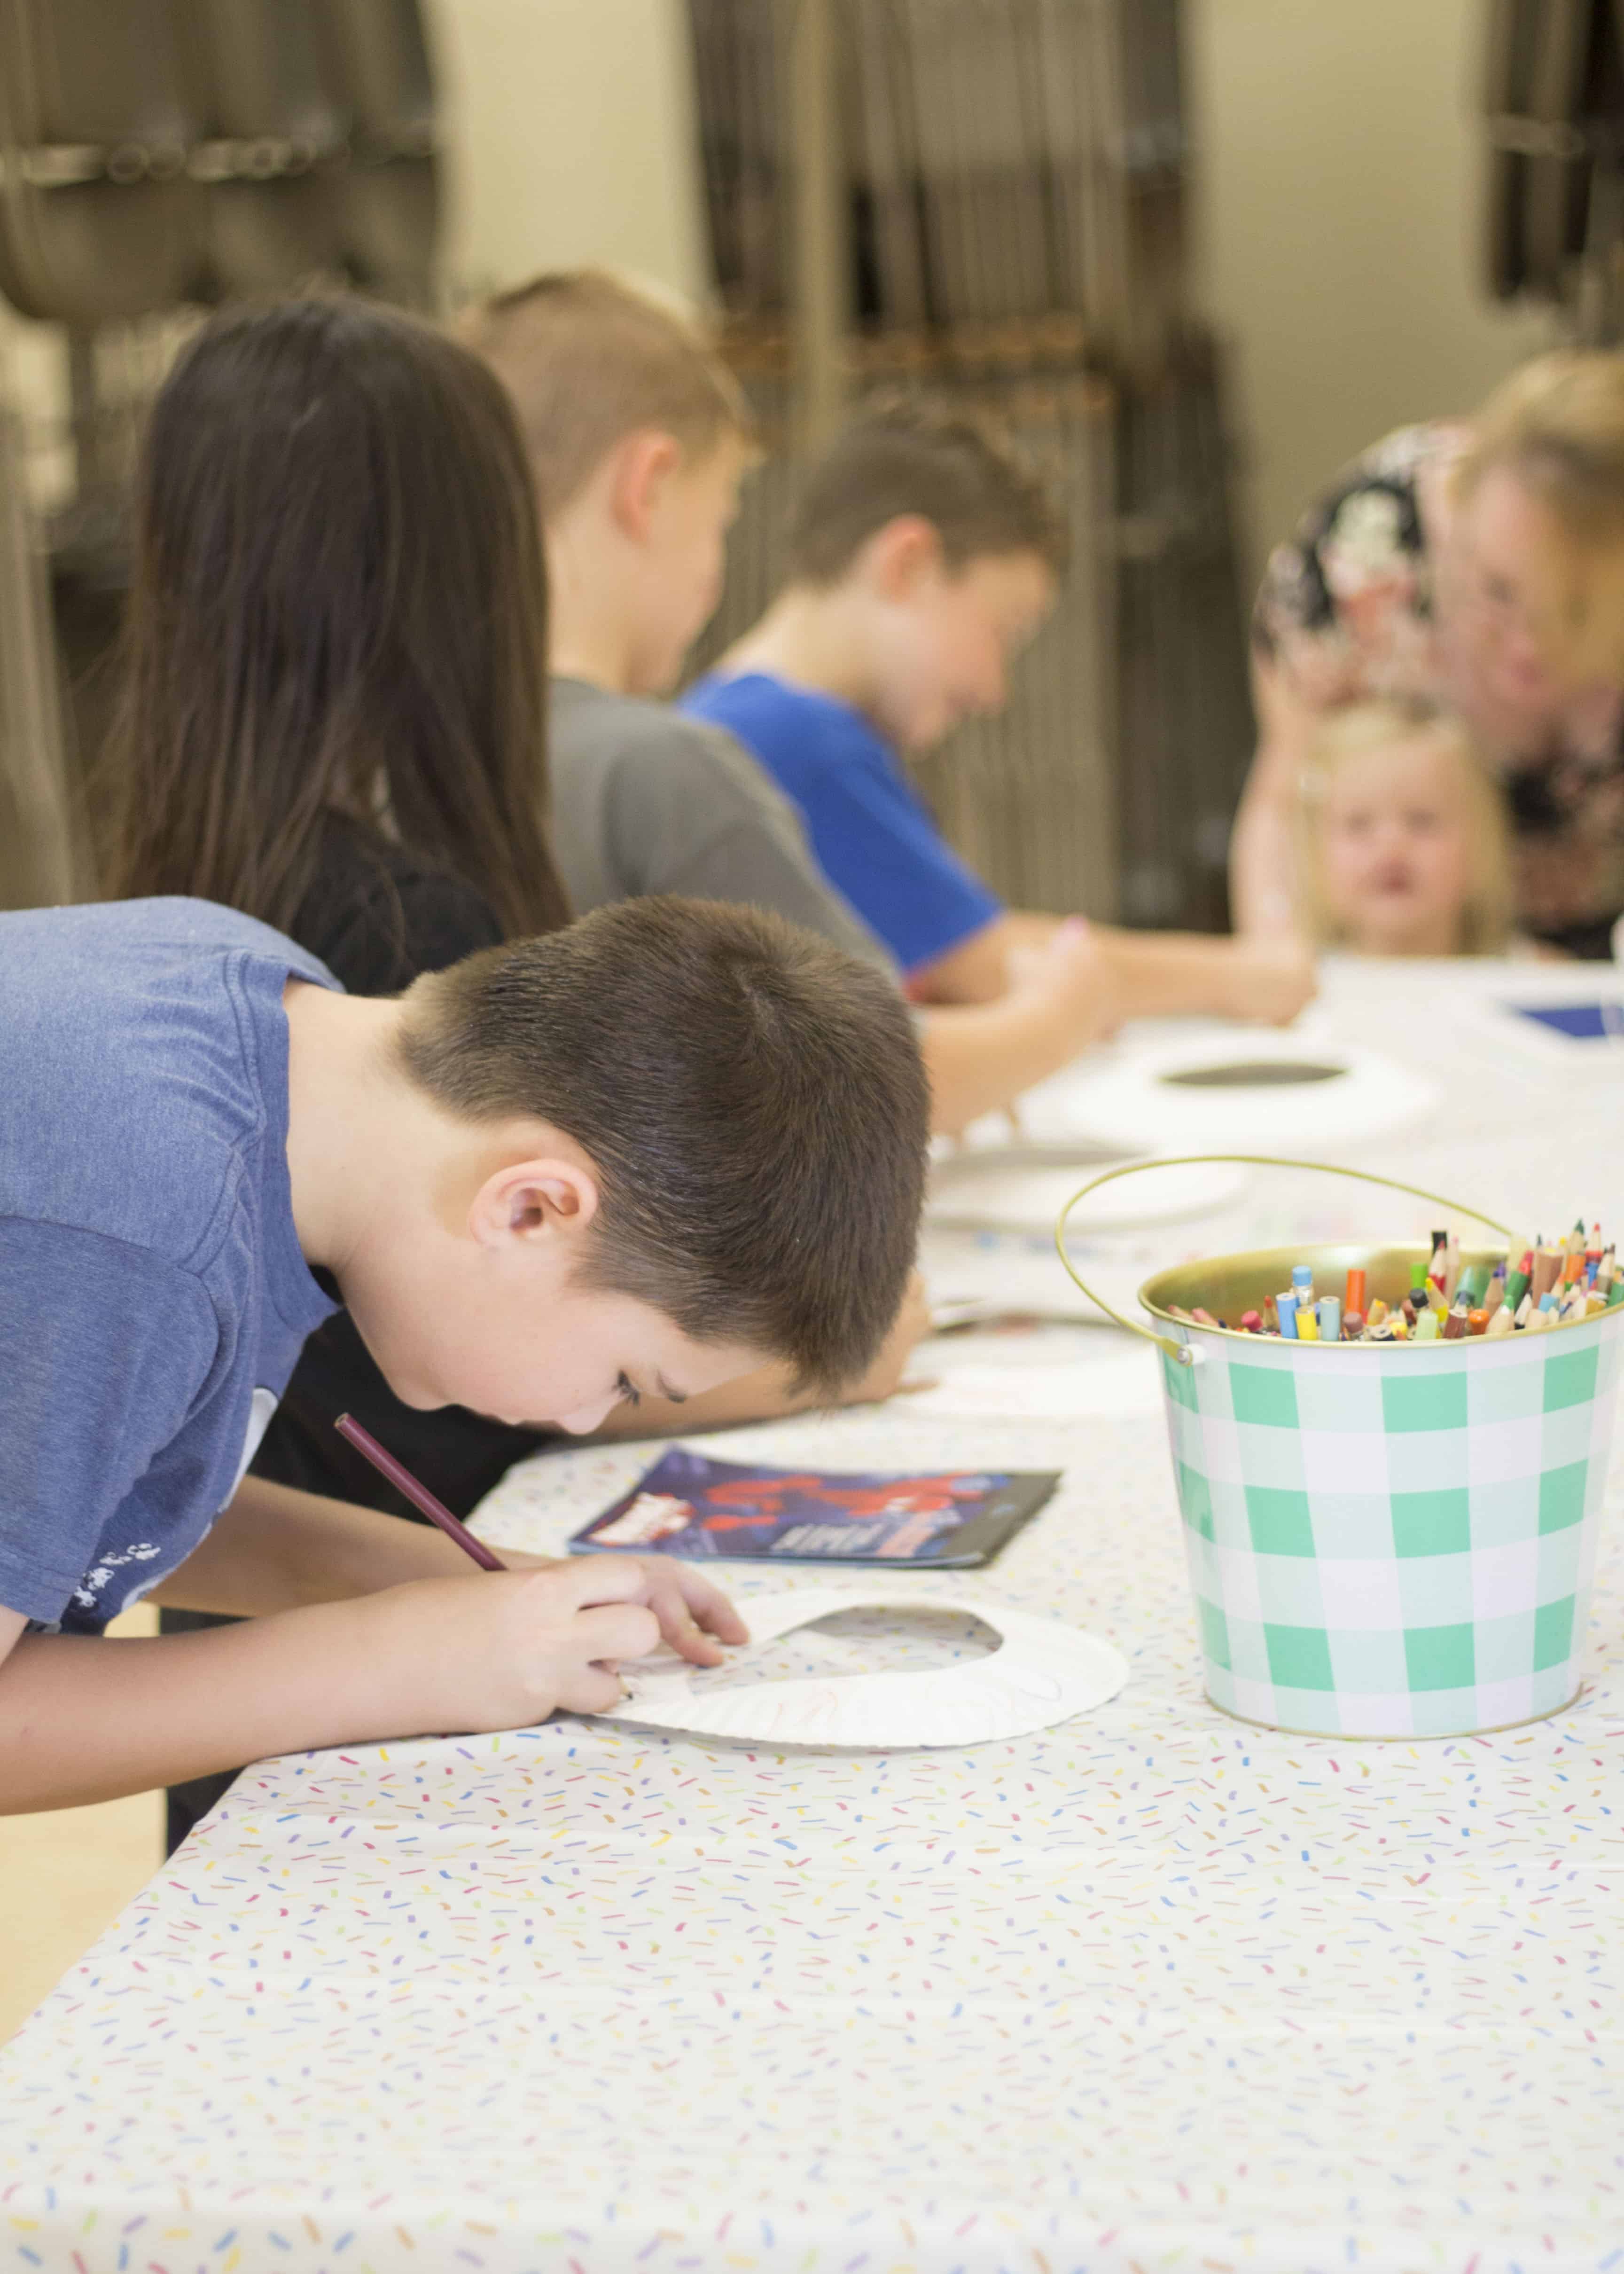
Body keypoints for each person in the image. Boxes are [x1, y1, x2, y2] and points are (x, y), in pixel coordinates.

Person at [94, 297, 929, 1845]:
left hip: (261, 1661)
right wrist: (418, 1637)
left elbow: (157, 1511)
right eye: (626, 1375)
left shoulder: (214, 962)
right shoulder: (272, 1042)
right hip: (290, 1715)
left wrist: (460, 1594)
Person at [0, 889, 930, 1813]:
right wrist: (390, 1666)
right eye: (625, 1382)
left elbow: (84, 1507)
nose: (582, 1418)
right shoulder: (131, 1239)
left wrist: (467, 1589)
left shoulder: (262, 1018)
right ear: (530, 1209)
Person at [464, 274, 1302, 1137]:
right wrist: (1090, 1003)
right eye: (1003, 632)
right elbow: (896, 1058)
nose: (996, 689)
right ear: (649, 487)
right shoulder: (736, 750)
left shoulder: (460, 749)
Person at [677, 402, 1316, 1030]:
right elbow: (986, 961)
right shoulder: (797, 740)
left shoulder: (725, 713)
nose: (994, 691)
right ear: (909, 563)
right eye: (1003, 632)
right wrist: (1246, 974)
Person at [1233, 350, 1624, 959]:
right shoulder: (1366, 552)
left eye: (1577, 615)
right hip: (1404, 970)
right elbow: (1287, 796)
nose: (1525, 647)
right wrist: (1280, 968)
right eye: (1496, 590)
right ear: (1457, 514)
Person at [1291, 698, 1518, 957]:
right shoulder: (1299, 984)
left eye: (1421, 820)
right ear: (1313, 851)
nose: (1392, 846)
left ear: (1481, 842)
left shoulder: (1537, 981)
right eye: (1359, 824)